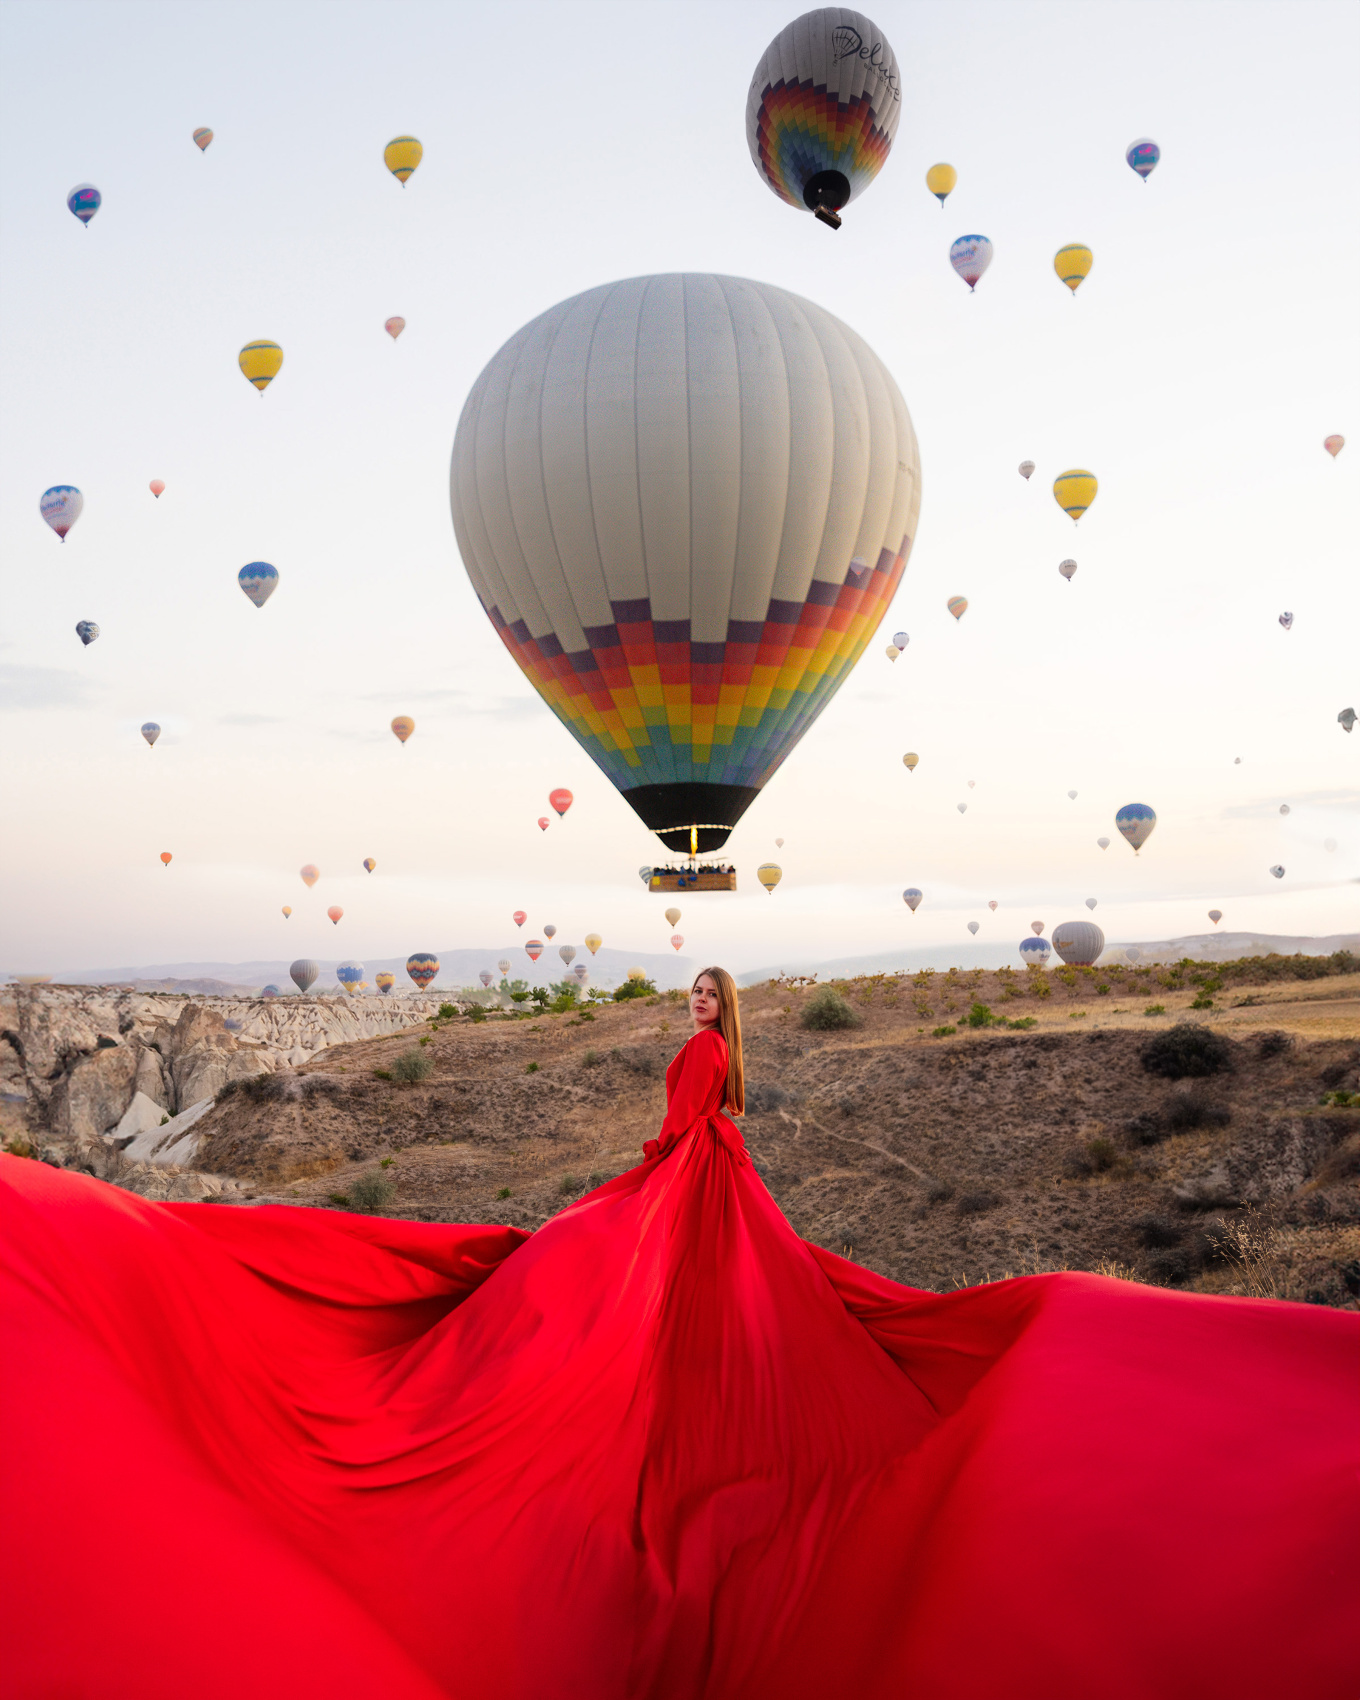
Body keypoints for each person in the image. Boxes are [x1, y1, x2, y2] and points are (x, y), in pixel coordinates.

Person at [0, 969, 1355, 1699]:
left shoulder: (706, 1063)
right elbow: (702, 1120)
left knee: (610, 1284)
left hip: (683, 1178)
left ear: (722, 1015)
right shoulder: (706, 1052)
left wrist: (643, 1174)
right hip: (692, 1175)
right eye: (693, 1001)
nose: (694, 1010)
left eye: (706, 1002)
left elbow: (692, 1122)